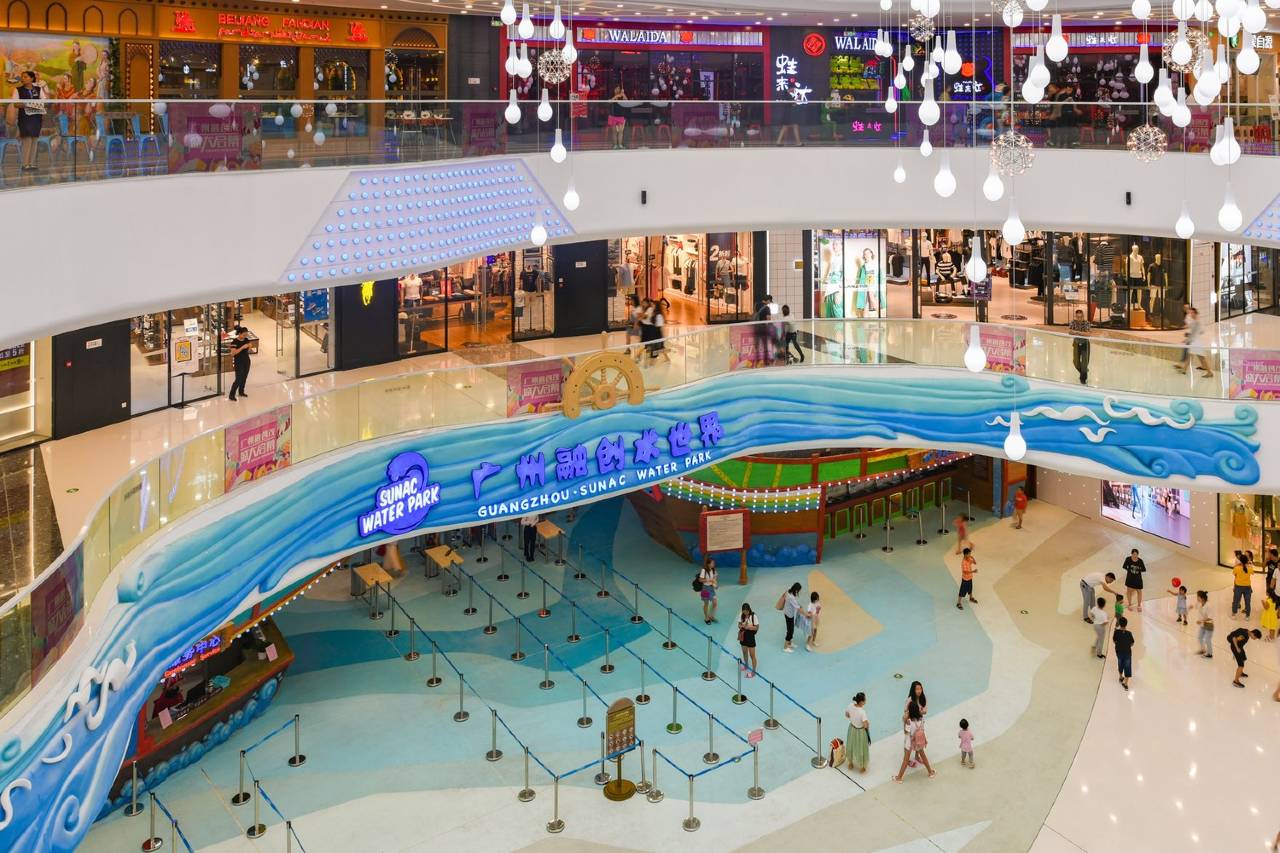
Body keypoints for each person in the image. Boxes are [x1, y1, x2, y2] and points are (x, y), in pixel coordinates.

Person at [8, 71, 45, 171]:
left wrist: (36, 104)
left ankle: (32, 163)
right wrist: (29, 105)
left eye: (25, 77)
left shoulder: (38, 89)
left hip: (36, 117)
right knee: (27, 139)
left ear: (32, 78)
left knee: (34, 139)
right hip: (25, 118)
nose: (23, 78)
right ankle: (25, 164)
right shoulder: (18, 90)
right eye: (22, 77)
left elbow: (44, 101)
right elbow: (16, 104)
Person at [892, 699, 935, 781]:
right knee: (923, 755)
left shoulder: (909, 722)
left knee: (905, 760)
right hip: (918, 741)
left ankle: (899, 778)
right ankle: (930, 772)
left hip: (909, 743)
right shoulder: (921, 719)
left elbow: (906, 732)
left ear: (910, 711)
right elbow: (922, 729)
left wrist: (904, 722)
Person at [1175, 305, 1213, 378]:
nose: (1191, 314)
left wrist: (1187, 339)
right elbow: (1200, 331)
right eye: (1190, 313)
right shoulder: (1196, 321)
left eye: (1192, 313)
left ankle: (1209, 372)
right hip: (1195, 342)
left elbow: (1194, 333)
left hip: (1196, 343)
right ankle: (1184, 370)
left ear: (1195, 313)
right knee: (1192, 356)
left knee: (1201, 358)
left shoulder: (1197, 322)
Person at [844, 692, 870, 773]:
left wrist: (853, 718)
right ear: (861, 702)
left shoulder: (850, 705)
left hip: (852, 729)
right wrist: (868, 725)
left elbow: (847, 715)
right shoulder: (862, 712)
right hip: (860, 731)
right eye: (865, 699)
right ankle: (862, 767)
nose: (866, 701)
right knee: (861, 748)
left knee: (850, 745)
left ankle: (850, 763)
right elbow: (865, 725)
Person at [227, 326, 253, 401]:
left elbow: (249, 350)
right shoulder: (234, 342)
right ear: (239, 334)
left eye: (246, 335)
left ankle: (241, 391)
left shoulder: (246, 340)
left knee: (244, 377)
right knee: (238, 379)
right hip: (238, 362)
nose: (245, 336)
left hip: (247, 361)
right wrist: (242, 347)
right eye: (244, 335)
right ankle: (231, 395)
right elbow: (233, 353)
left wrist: (250, 347)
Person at [1068, 309, 1091, 383]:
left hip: (1085, 344)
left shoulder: (1087, 323)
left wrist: (1077, 332)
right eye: (1078, 317)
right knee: (1076, 362)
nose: (1079, 319)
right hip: (1076, 343)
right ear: (1075, 317)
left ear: (1083, 316)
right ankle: (1083, 372)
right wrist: (1081, 333)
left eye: (1081, 317)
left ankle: (1083, 379)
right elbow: (1070, 332)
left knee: (1085, 363)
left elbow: (1088, 334)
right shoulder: (1073, 322)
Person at [779, 582, 802, 653]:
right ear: (796, 590)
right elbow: (798, 608)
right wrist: (806, 614)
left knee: (791, 629)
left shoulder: (789, 589)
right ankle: (785, 647)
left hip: (787, 612)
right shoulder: (791, 597)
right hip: (789, 615)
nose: (799, 592)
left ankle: (790, 643)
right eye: (798, 591)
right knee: (790, 631)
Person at [1113, 615, 1135, 690]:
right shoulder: (1129, 633)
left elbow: (1114, 641)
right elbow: (1132, 643)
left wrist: (1119, 644)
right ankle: (1125, 684)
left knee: (1120, 664)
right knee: (1127, 666)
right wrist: (1127, 645)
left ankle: (1120, 677)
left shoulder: (1116, 632)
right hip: (1127, 653)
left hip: (1119, 652)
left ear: (1119, 623)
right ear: (1126, 624)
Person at [737, 603, 759, 677]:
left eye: (746, 611)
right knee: (744, 652)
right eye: (744, 611)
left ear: (749, 610)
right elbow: (739, 624)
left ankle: (753, 672)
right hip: (743, 634)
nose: (745, 613)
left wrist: (748, 627)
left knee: (752, 655)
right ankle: (746, 665)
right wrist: (741, 626)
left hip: (750, 636)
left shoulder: (753, 616)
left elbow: (756, 627)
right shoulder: (741, 615)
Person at [1232, 553, 1253, 620]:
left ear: (1240, 560)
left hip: (1238, 587)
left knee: (1236, 601)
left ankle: (1234, 614)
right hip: (1247, 587)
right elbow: (1252, 573)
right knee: (1247, 602)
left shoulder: (1236, 568)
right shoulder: (1249, 568)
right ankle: (1247, 616)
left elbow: (1234, 575)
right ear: (1247, 561)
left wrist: (1237, 565)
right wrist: (1249, 565)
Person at [697, 557, 718, 625]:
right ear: (708, 564)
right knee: (706, 604)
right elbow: (700, 580)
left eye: (714, 563)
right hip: (705, 589)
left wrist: (715, 584)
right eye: (712, 563)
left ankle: (711, 616)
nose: (713, 564)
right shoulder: (704, 570)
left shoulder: (713, 570)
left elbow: (715, 579)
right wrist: (709, 580)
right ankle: (706, 618)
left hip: (711, 588)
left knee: (715, 603)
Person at [1195, 590, 1215, 658]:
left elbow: (1210, 618)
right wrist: (1191, 607)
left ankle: (1210, 653)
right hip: (1203, 624)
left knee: (1207, 639)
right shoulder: (1200, 604)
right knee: (1200, 637)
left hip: (1209, 625)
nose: (1197, 598)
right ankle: (1203, 649)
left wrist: (1201, 621)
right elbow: (1196, 606)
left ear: (1202, 598)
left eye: (1198, 597)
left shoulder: (1208, 605)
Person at [625, 293, 643, 361]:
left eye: (632, 300)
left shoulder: (639, 308)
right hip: (631, 325)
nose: (631, 301)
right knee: (627, 335)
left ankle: (639, 352)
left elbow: (639, 318)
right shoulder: (634, 308)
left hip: (636, 325)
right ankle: (628, 349)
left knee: (639, 338)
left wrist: (636, 325)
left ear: (635, 300)